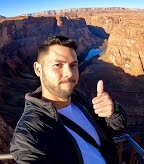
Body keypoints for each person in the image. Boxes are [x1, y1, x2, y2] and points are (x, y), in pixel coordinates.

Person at [10, 35, 127, 164]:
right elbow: (29, 156)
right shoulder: (30, 130)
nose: (69, 73)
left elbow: (115, 130)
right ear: (38, 69)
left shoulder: (79, 100)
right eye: (58, 65)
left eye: (73, 65)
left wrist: (113, 112)